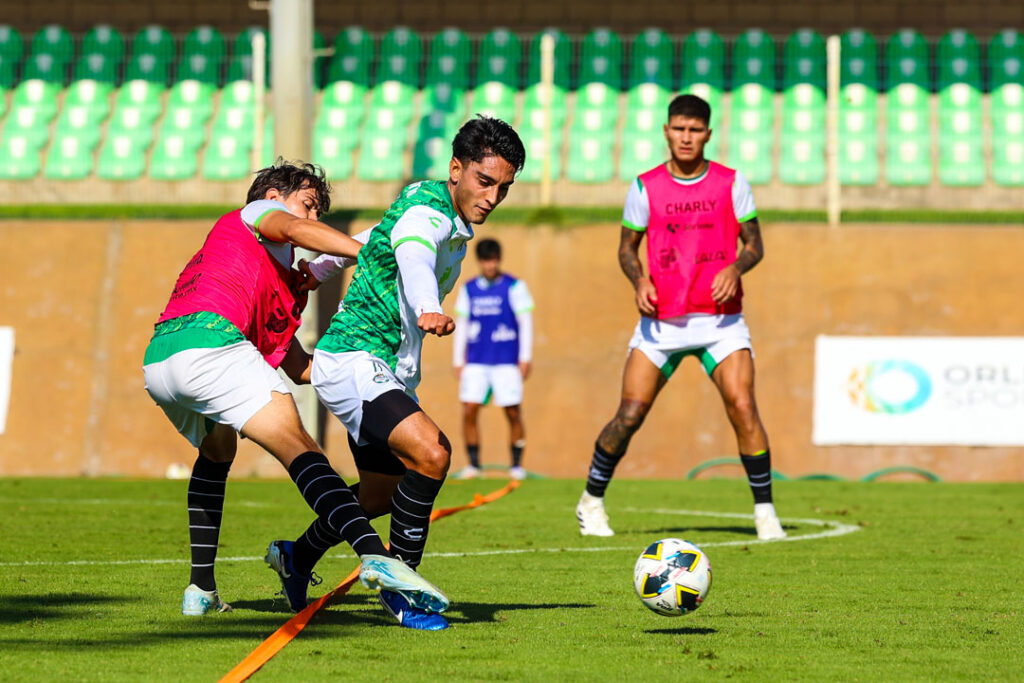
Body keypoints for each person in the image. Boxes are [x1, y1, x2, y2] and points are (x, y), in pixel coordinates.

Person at [142, 160, 448, 618]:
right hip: (212, 343)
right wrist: (368, 251)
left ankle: (200, 590)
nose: (311, 220)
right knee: (301, 447)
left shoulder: (278, 284)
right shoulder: (252, 216)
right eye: (308, 205)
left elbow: (302, 369)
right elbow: (292, 229)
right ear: (271, 196)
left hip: (163, 358)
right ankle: (374, 555)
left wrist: (351, 367)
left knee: (218, 450)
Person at [290, 116, 526, 630]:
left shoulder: (426, 200)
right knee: (432, 453)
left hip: (382, 368)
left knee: (376, 495)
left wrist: (321, 269)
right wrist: (425, 305)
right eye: (485, 181)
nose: (492, 196)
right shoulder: (429, 214)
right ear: (457, 169)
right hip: (356, 358)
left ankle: (296, 557)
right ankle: (403, 592)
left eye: (503, 188)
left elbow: (377, 237)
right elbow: (413, 250)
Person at [574, 94, 786, 541]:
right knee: (630, 413)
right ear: (667, 132)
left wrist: (735, 267)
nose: (686, 137)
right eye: (679, 128)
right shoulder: (645, 186)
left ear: (708, 134)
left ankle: (765, 514)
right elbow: (626, 249)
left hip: (721, 323)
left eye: (695, 129)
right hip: (661, 324)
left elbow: (756, 245)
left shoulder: (731, 182)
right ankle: (591, 501)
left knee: (743, 405)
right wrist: (639, 281)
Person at [451, 238, 535, 480]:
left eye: (494, 260)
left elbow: (525, 322)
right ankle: (474, 465)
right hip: (476, 360)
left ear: (499, 260)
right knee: (469, 410)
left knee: (512, 411)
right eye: (486, 260)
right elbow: (463, 324)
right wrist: (458, 359)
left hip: (507, 360)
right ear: (479, 261)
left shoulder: (515, 287)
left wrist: (525, 357)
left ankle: (516, 466)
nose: (490, 265)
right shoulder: (469, 289)